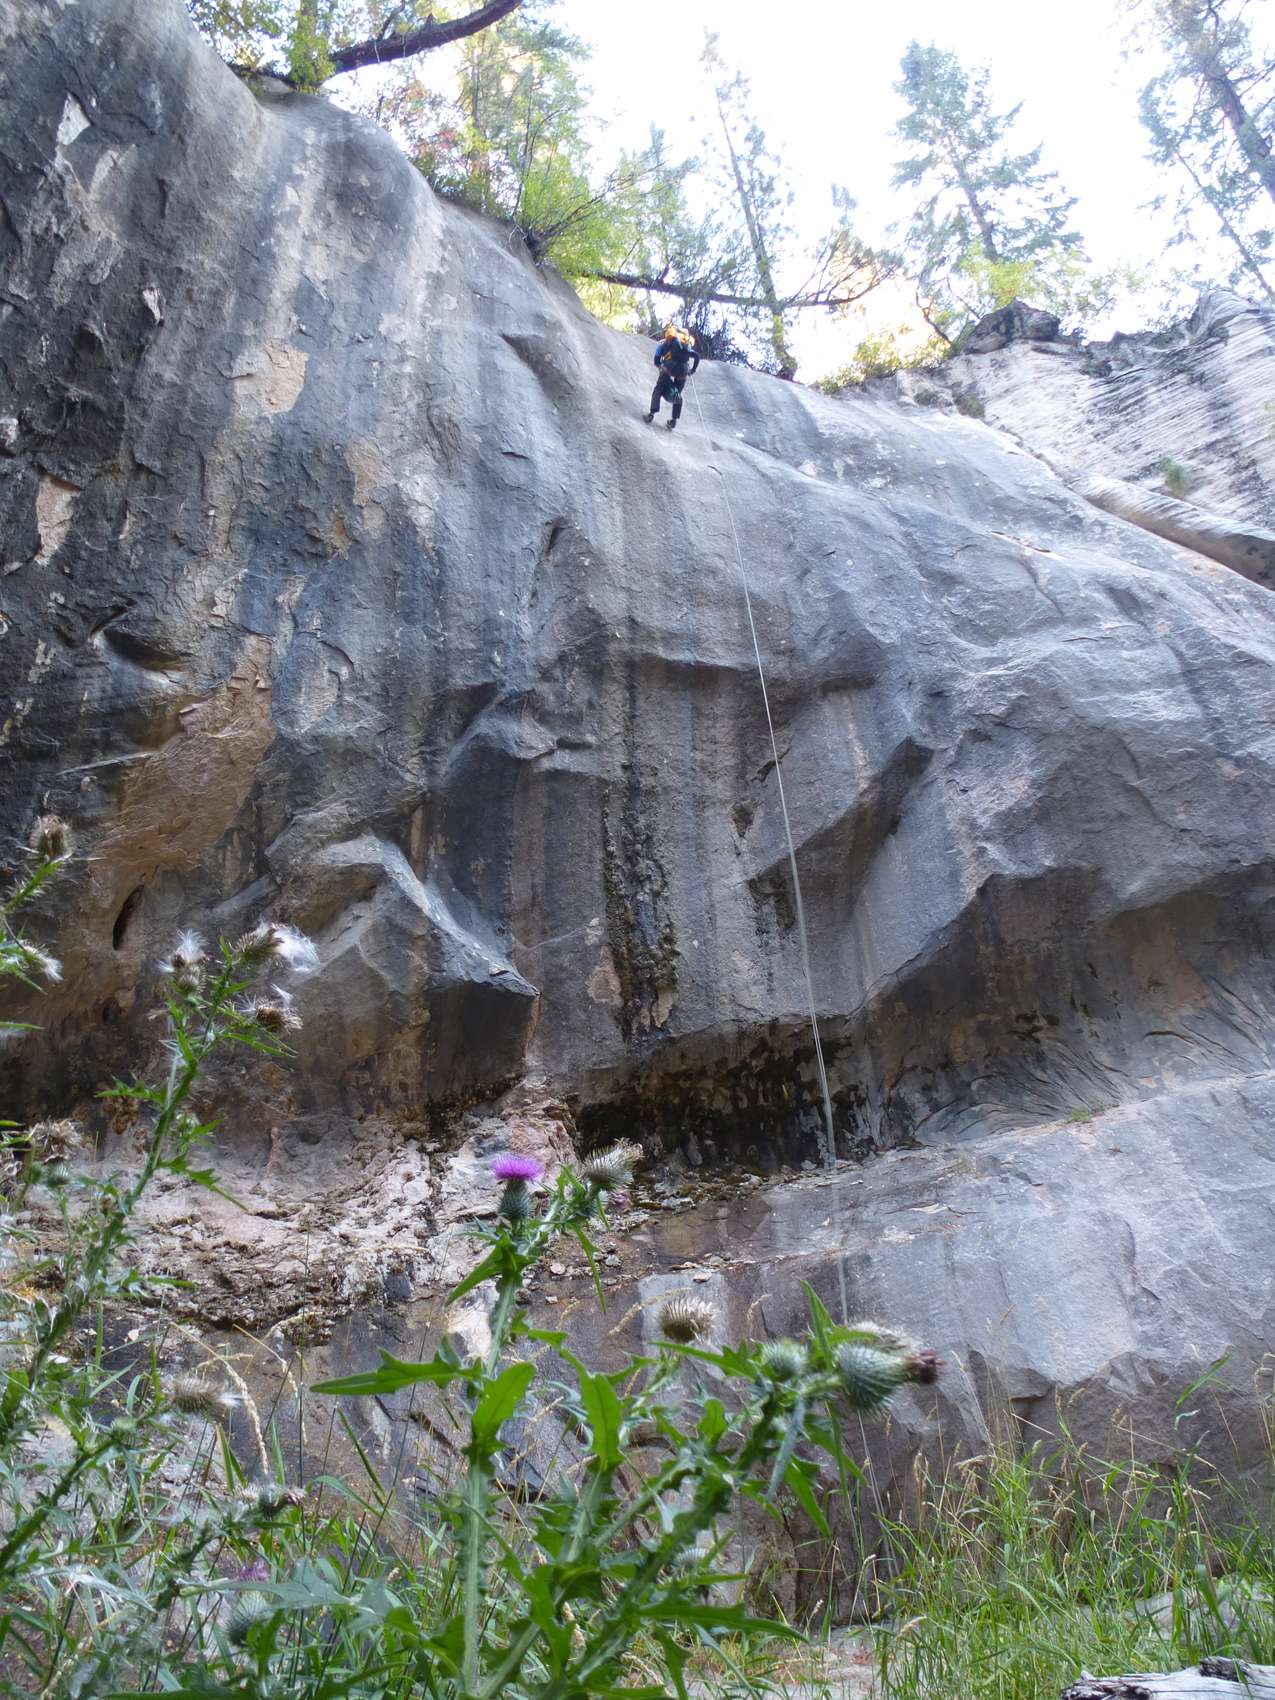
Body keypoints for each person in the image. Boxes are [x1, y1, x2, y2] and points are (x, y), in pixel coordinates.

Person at [645, 324, 700, 430]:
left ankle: (651, 414)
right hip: (683, 371)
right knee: (676, 394)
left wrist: (661, 367)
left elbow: (656, 361)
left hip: (669, 367)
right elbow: (697, 356)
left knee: (658, 389)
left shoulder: (664, 344)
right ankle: (673, 421)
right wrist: (692, 370)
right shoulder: (686, 345)